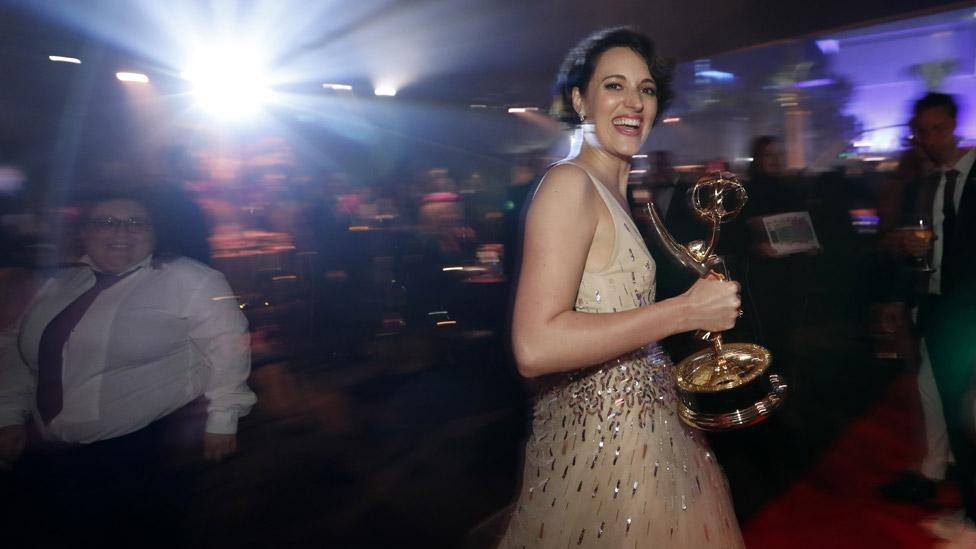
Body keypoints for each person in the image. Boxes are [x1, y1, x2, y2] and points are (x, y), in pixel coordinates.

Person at [499, 27, 744, 547]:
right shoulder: (569, 185)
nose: (634, 102)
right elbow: (535, 346)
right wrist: (683, 312)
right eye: (614, 86)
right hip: (602, 464)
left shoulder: (617, 192)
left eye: (647, 89)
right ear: (578, 99)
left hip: (653, 441)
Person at [0, 190, 256, 545]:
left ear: (155, 232)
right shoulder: (60, 283)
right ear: (84, 232)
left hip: (139, 458)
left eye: (136, 222)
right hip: (45, 453)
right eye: (106, 222)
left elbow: (228, 347)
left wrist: (223, 420)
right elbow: (18, 349)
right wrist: (9, 413)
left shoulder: (189, 279)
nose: (121, 232)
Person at [887, 92, 976, 547]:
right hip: (938, 310)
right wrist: (910, 249)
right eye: (924, 132)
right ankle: (967, 509)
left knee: (966, 415)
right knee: (951, 411)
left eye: (940, 129)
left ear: (956, 126)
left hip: (968, 316)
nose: (932, 140)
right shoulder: (931, 182)